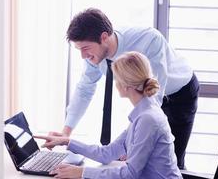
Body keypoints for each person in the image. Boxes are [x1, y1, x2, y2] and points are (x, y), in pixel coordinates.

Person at [48, 8, 199, 169]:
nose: (83, 56)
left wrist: (135, 142)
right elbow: (84, 90)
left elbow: (154, 96)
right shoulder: (94, 56)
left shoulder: (148, 39)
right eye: (79, 50)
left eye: (85, 48)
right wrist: (66, 132)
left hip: (179, 93)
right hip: (148, 103)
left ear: (104, 37)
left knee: (170, 162)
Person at [35, 51, 182, 178]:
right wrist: (66, 141)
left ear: (126, 85)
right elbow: (107, 153)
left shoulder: (147, 119)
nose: (115, 82)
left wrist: (81, 173)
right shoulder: (144, 113)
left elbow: (130, 174)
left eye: (116, 78)